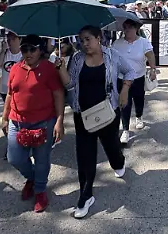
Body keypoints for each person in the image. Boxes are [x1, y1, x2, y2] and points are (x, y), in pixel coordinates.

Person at [62, 25, 134, 219]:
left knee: (112, 148)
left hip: (108, 113)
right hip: (82, 114)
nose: (84, 44)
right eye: (81, 40)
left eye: (88, 39)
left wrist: (125, 90)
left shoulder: (112, 56)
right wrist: (61, 69)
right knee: (85, 156)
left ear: (98, 38)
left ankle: (118, 161)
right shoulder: (76, 59)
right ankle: (85, 195)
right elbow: (69, 84)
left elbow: (130, 72)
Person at [2, 35, 67, 212]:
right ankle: (32, 178)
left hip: (44, 122)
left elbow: (58, 95)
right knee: (14, 158)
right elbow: (10, 93)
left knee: (42, 160)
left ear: (40, 50)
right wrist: (5, 117)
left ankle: (39, 190)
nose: (28, 53)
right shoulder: (15, 68)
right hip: (18, 122)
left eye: (32, 49)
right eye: (24, 49)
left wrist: (59, 121)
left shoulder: (49, 69)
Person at [112, 19, 157, 145]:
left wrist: (153, 69)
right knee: (124, 104)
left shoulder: (143, 42)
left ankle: (139, 116)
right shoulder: (117, 43)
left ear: (136, 28)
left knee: (139, 100)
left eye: (130, 27)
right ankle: (125, 129)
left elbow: (150, 55)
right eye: (125, 27)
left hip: (138, 77)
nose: (127, 30)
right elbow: (112, 58)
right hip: (122, 78)